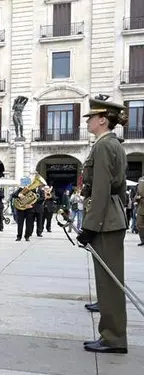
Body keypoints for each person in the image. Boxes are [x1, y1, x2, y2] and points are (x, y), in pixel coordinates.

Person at [76, 96, 129, 354]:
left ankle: (113, 338)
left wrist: (90, 226)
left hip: (106, 220)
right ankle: (112, 336)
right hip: (109, 218)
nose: (87, 121)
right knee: (108, 282)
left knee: (109, 284)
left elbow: (102, 189)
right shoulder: (111, 144)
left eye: (91, 117)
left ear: (102, 120)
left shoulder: (104, 146)